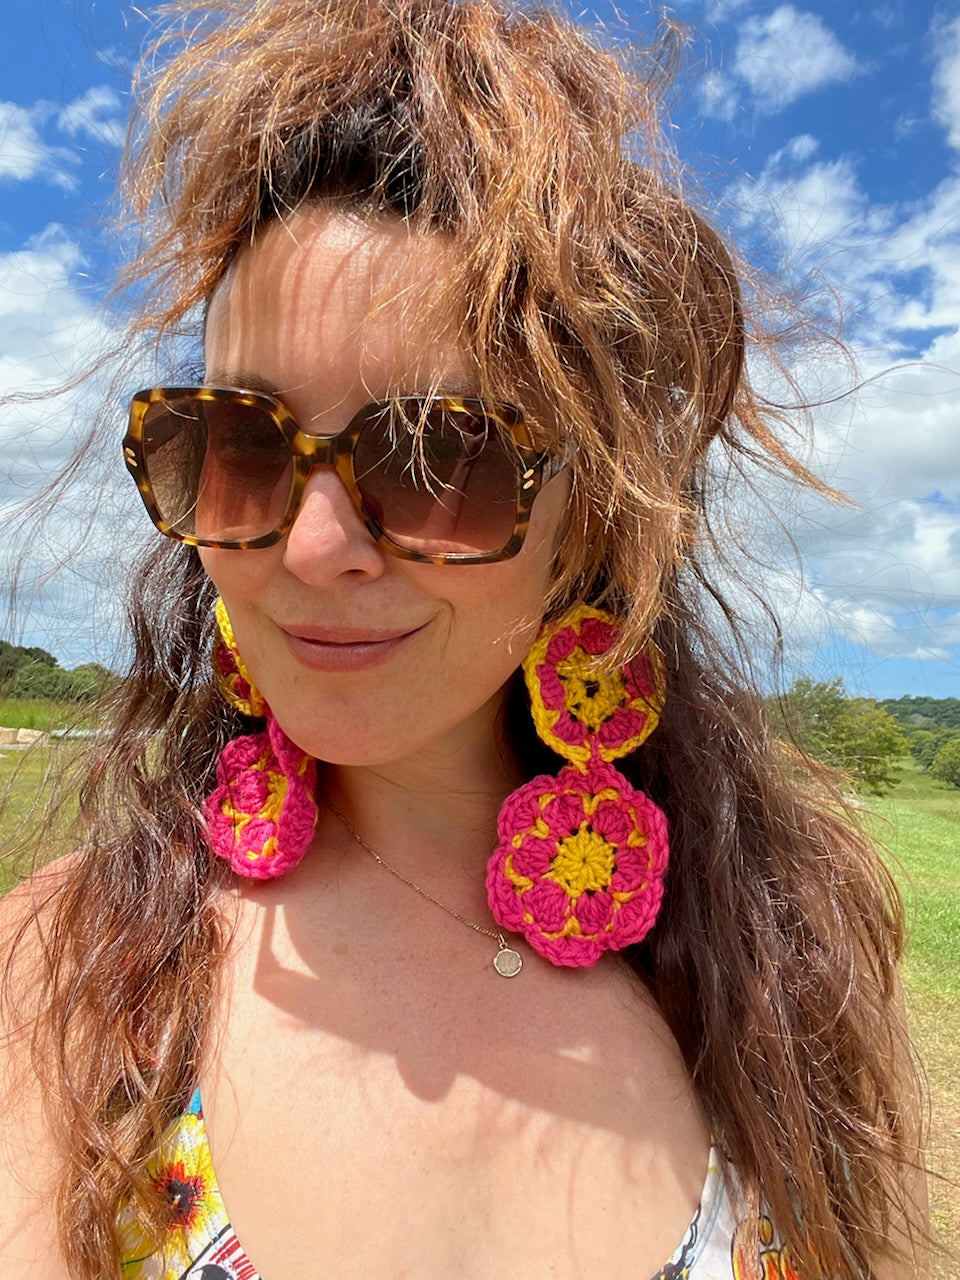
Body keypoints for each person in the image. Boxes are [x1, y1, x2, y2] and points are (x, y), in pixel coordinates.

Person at [0, 0, 932, 1277]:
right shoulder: (71, 974)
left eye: (445, 456)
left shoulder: (769, 964)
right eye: (240, 441)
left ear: (590, 525)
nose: (316, 546)